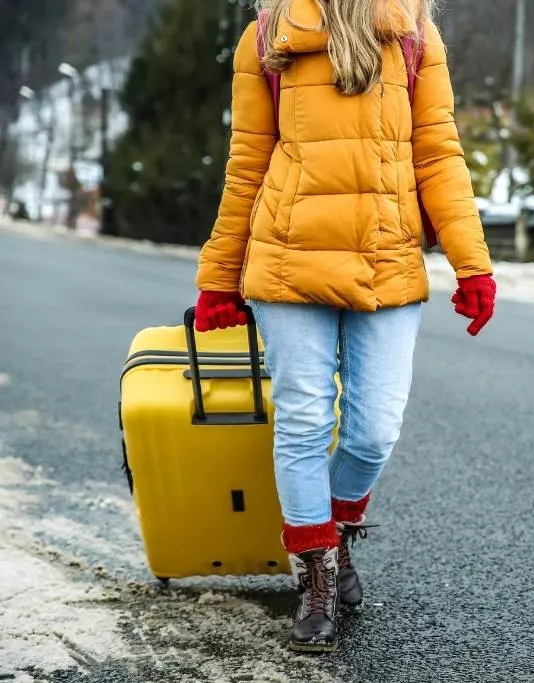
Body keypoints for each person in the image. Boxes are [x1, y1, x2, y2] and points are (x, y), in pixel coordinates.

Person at [191, 0, 495, 653]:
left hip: (387, 259)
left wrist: (473, 264)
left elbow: (439, 152)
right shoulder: (266, 35)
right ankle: (317, 573)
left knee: (374, 431)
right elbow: (247, 162)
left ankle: (331, 530)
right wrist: (218, 274)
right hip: (286, 260)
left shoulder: (415, 31)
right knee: (303, 420)